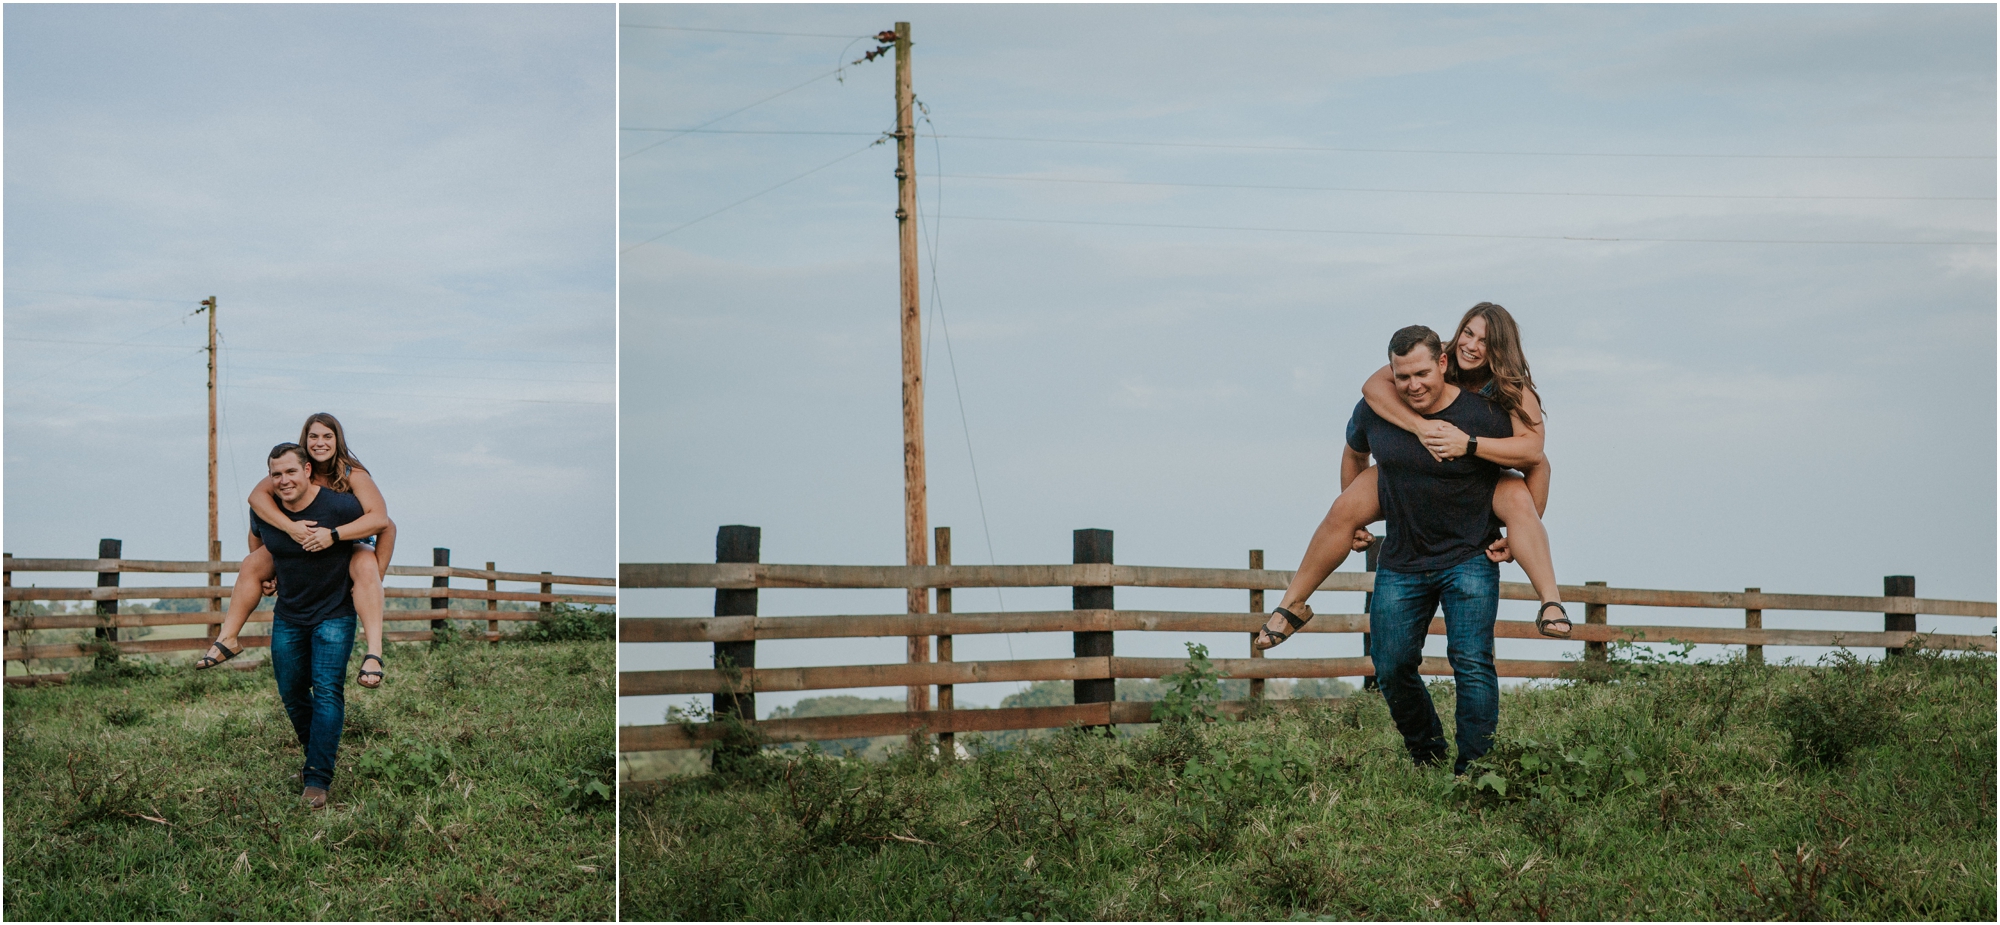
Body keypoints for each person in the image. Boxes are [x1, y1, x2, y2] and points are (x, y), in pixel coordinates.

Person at [1254, 302, 1569, 650]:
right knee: (1343, 509)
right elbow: (1372, 386)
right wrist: (1422, 429)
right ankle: (1292, 604)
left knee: (1519, 501)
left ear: (1501, 348)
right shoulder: (1432, 363)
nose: (1472, 345)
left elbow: (1535, 456)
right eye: (1469, 333)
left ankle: (1550, 600)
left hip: (1477, 475)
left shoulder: (1510, 390)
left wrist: (1469, 446)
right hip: (1410, 470)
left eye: (1486, 340)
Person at [1334, 326, 1522, 773]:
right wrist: (1354, 514)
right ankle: (1427, 753)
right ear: (1391, 375)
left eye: (1421, 372)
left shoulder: (1483, 415)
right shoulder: (1373, 410)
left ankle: (1475, 771)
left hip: (1470, 557)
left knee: (1471, 660)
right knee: (1391, 665)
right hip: (1401, 560)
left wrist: (1521, 528)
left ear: (1442, 363)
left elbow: (1534, 461)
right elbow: (1352, 452)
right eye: (1402, 377)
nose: (1413, 384)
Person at [195, 413, 396, 687]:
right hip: (300, 546)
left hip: (348, 544)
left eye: (327, 436)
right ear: (305, 440)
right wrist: (289, 532)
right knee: (252, 562)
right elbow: (256, 501)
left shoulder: (353, 475)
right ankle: (227, 638)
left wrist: (338, 539)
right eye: (314, 436)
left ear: (338, 440)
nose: (320, 442)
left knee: (365, 566)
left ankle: (374, 653)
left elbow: (383, 521)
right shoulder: (294, 468)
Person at [244, 442, 385, 807]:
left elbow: (384, 523)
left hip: (334, 612)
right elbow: (257, 534)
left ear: (306, 470)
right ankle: (316, 758)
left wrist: (371, 572)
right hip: (289, 614)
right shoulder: (269, 505)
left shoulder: (341, 503)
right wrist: (266, 573)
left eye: (291, 471)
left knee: (326, 691)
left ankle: (318, 779)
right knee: (291, 692)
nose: (283, 479)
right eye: (276, 474)